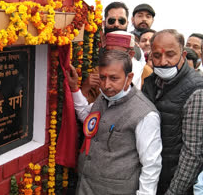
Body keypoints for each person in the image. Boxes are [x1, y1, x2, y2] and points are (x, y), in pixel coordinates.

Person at [67, 50, 162, 195]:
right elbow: (87, 118)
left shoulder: (145, 114)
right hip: (86, 187)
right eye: (102, 78)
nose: (106, 85)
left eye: (113, 78)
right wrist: (74, 88)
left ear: (129, 78)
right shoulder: (103, 97)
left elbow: (151, 165)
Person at [142, 29, 203, 194]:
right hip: (150, 178)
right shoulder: (149, 82)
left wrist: (173, 192)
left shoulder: (196, 90)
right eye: (157, 55)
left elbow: (192, 153)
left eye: (170, 55)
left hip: (173, 183)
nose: (163, 61)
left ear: (183, 56)